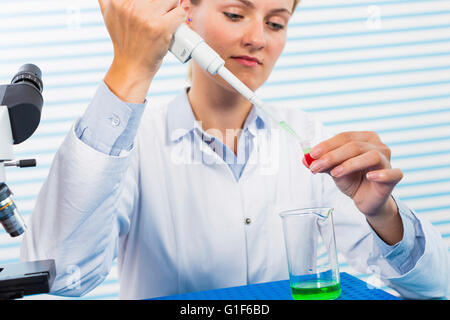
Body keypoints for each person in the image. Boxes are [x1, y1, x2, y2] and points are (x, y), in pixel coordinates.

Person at [21, 0, 449, 300]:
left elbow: (435, 287)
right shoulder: (130, 139)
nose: (258, 38)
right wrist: (129, 71)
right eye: (234, 13)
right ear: (183, 16)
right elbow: (60, 272)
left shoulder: (308, 138)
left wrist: (384, 215)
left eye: (276, 23)